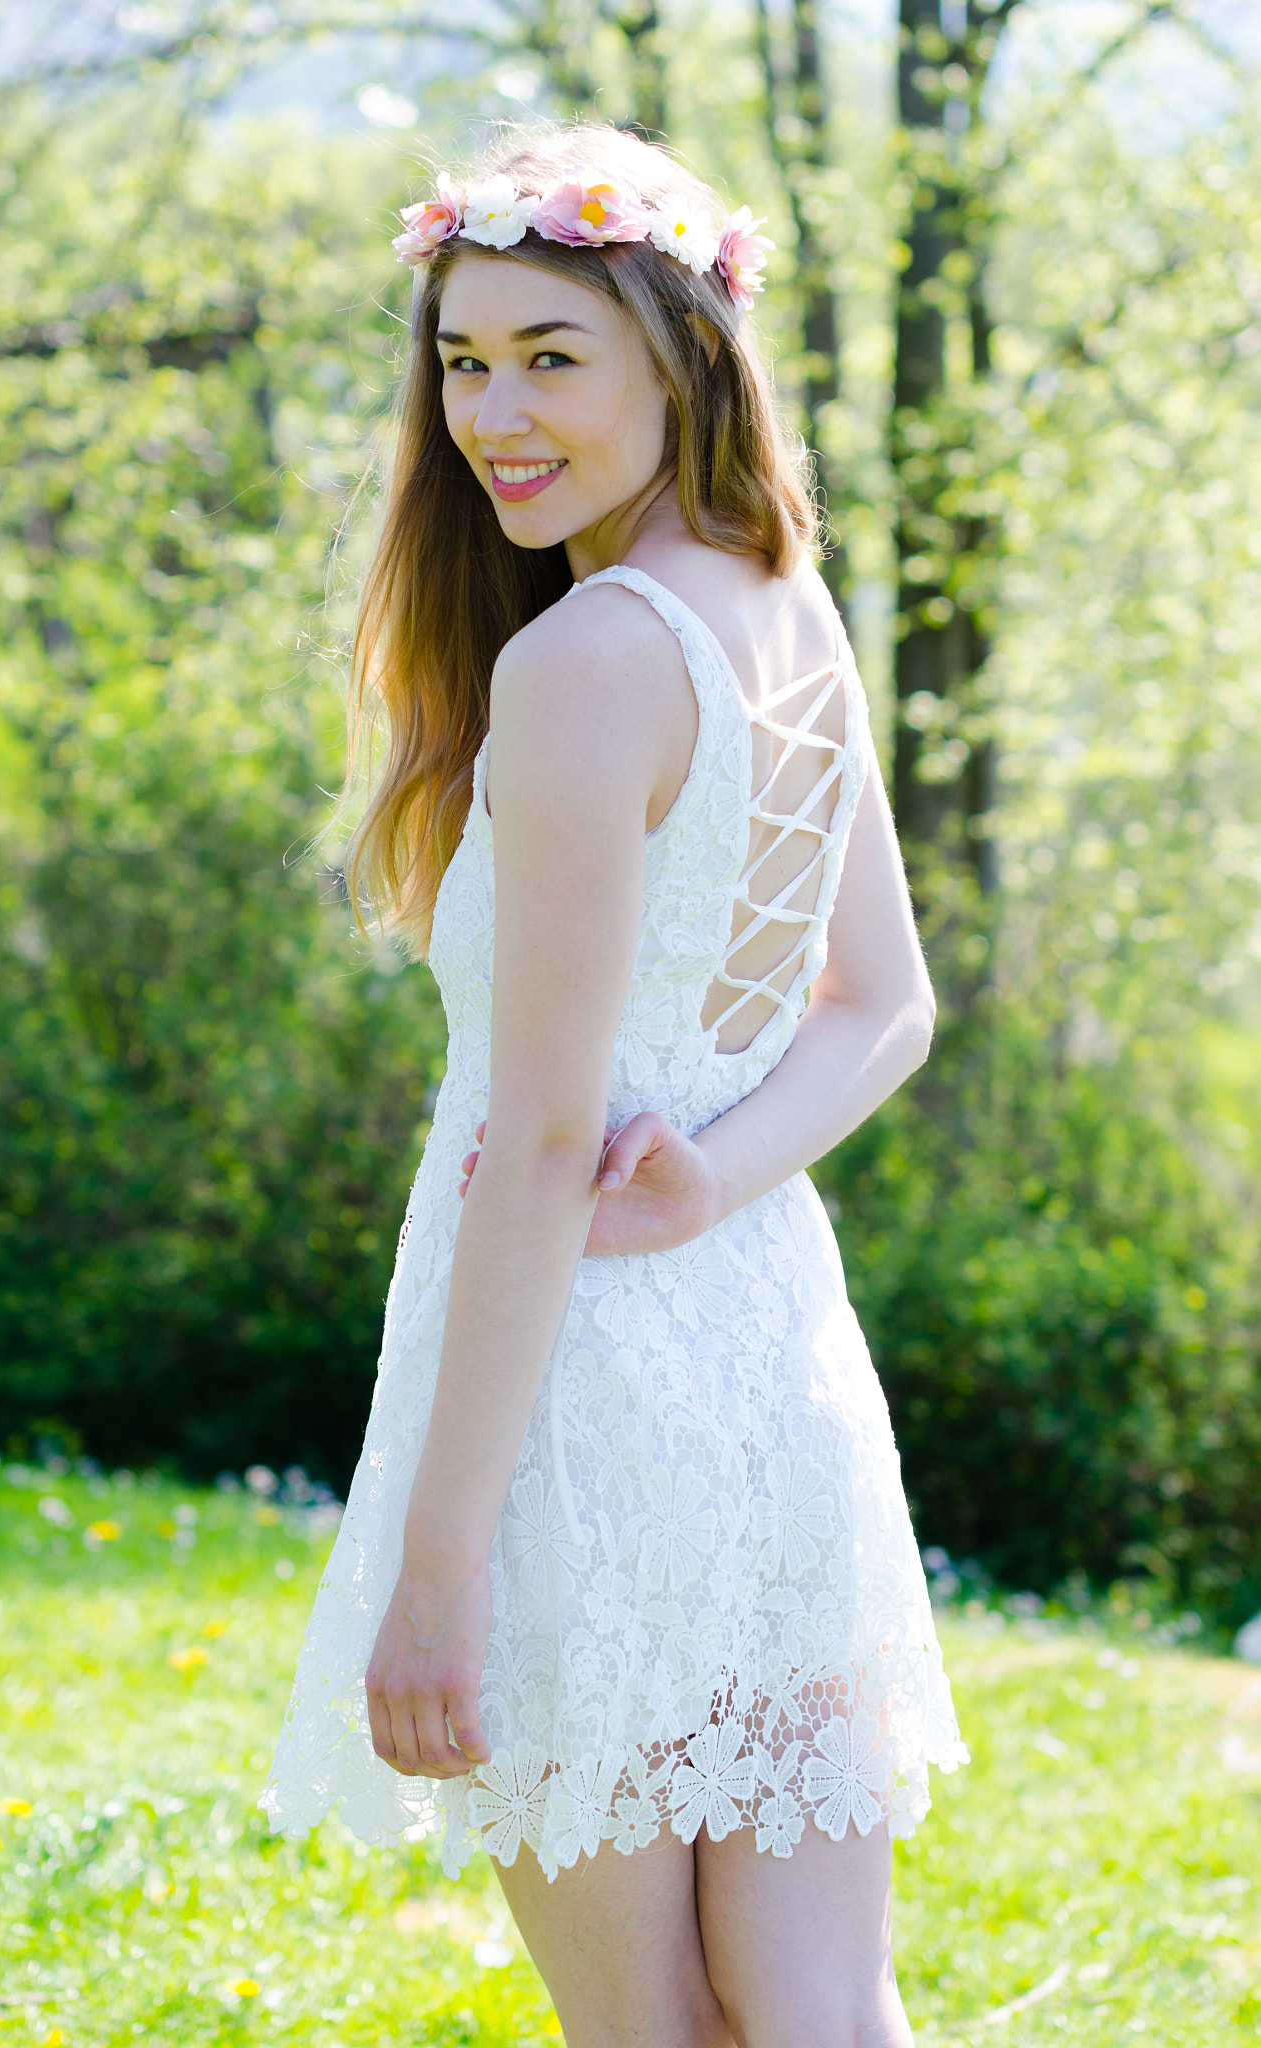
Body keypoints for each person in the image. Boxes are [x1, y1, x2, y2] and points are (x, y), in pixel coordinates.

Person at [262, 123, 967, 2047]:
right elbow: (880, 1013)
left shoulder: (589, 664)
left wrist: (437, 1561)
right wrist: (722, 1181)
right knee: (823, 2014)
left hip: (576, 1405)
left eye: (552, 357)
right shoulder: (783, 605)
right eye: (464, 361)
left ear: (680, 354)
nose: (495, 412)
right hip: (772, 1370)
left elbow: (549, 1136)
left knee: (653, 2031)